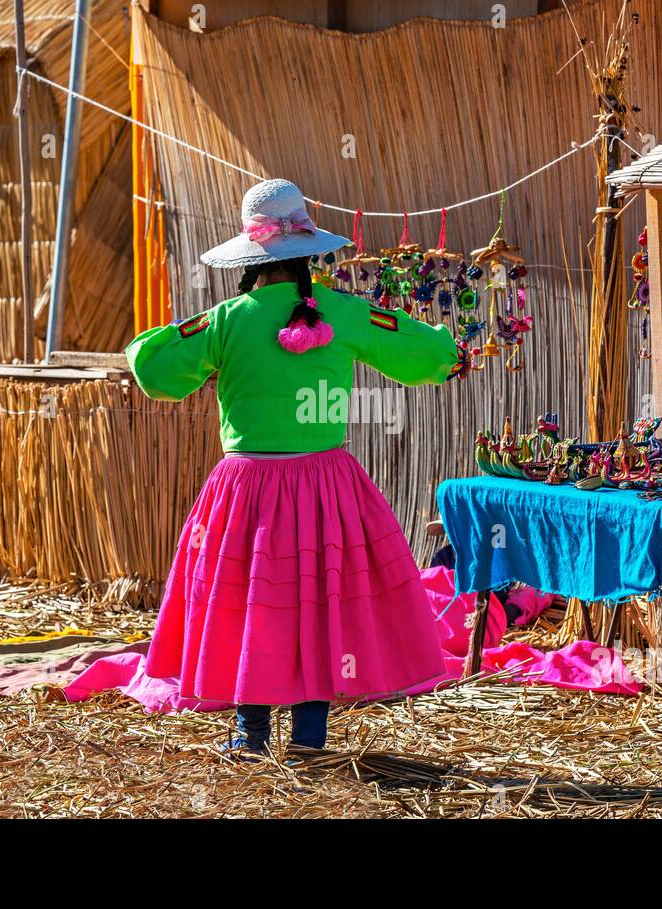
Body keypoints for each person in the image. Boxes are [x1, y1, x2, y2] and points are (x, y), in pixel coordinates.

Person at [125, 178, 460, 753]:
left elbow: (153, 369)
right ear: (308, 251)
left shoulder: (226, 319)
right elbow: (431, 353)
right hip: (325, 484)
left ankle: (249, 735)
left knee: (252, 597)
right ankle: (309, 735)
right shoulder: (344, 312)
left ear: (251, 257)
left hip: (246, 490)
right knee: (318, 598)